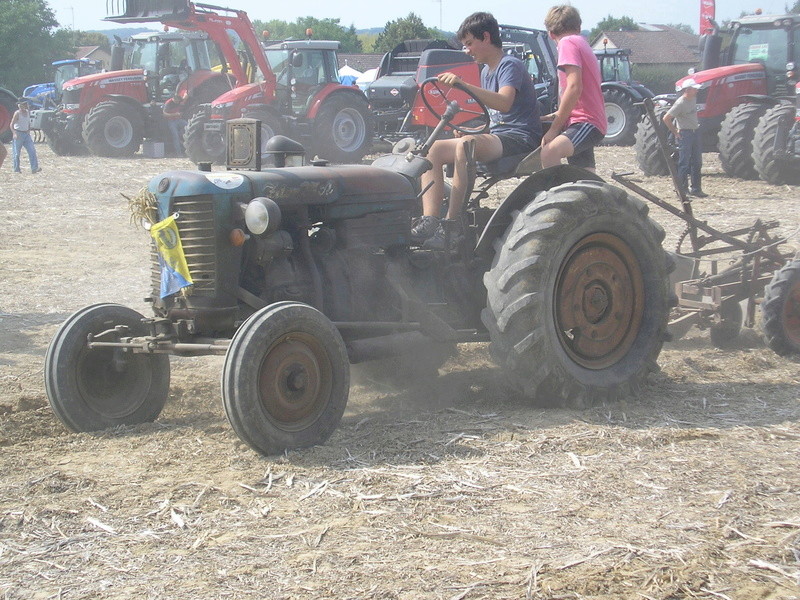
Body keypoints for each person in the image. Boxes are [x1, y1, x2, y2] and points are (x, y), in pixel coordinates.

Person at [413, 11, 542, 249]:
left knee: (466, 145)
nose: (467, 50)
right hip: (499, 134)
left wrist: (462, 84)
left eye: (470, 44)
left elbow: (504, 103)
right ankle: (429, 220)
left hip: (520, 137)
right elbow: (494, 116)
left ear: (485, 37)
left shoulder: (509, 65)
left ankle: (451, 226)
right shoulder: (486, 71)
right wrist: (469, 128)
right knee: (433, 150)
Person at [540, 5, 606, 172]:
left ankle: (557, 198)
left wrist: (554, 128)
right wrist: (556, 115)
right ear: (578, 27)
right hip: (580, 120)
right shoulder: (581, 42)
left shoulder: (567, 42)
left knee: (549, 153)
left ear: (550, 34)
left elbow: (574, 87)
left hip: (585, 121)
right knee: (585, 179)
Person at [663, 79, 707, 197]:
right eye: (694, 88)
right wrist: (675, 131)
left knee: (697, 162)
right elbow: (666, 118)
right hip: (685, 134)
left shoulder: (693, 99)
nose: (697, 90)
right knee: (684, 163)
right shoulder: (680, 103)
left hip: (695, 132)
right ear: (688, 90)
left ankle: (696, 189)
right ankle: (682, 190)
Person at [10, 100, 40, 174]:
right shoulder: (17, 113)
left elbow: (28, 122)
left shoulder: (28, 112)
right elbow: (11, 125)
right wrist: (14, 133)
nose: (25, 106)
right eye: (23, 104)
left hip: (26, 134)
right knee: (16, 153)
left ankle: (34, 168)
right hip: (18, 134)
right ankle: (17, 169)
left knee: (32, 151)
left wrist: (28, 130)